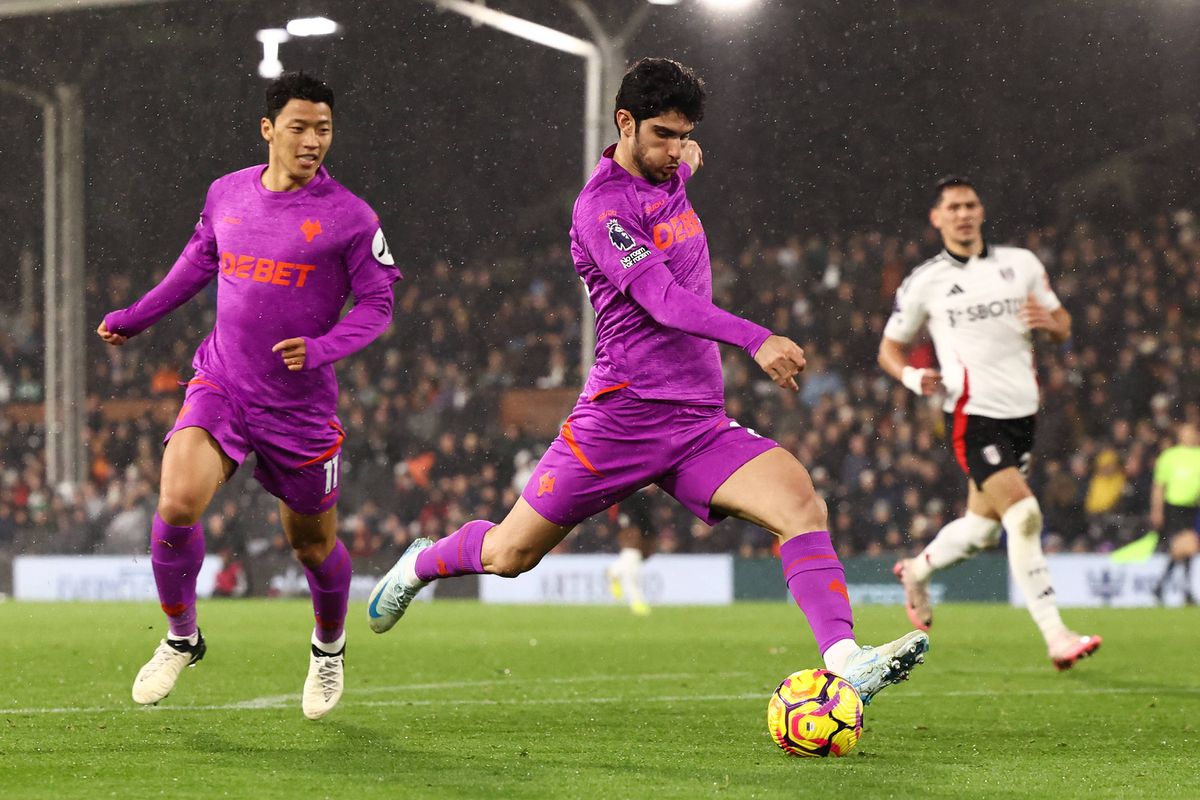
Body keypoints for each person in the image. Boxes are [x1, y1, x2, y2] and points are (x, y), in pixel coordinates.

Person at [370, 58, 928, 704]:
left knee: (799, 500)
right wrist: (756, 337)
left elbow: (687, 159)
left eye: (681, 134)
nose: (672, 150)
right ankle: (420, 563)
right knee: (510, 556)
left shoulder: (673, 169)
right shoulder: (601, 209)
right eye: (660, 134)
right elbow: (662, 301)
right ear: (624, 123)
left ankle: (844, 660)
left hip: (695, 421)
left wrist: (686, 153)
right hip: (619, 418)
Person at [97, 72, 399, 719]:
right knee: (176, 500)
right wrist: (137, 316)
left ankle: (328, 647)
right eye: (299, 127)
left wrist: (321, 349)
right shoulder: (227, 194)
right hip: (224, 382)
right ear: (269, 130)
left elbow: (379, 304)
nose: (313, 140)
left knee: (312, 546)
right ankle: (182, 637)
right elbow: (195, 264)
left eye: (323, 128)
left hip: (300, 408)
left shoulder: (351, 217)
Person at [880, 175, 1101, 671]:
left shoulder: (1019, 264)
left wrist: (1052, 325)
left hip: (1023, 414)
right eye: (953, 206)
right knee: (1023, 515)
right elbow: (888, 349)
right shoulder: (925, 281)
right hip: (971, 416)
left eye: (971, 204)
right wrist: (915, 378)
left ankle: (916, 572)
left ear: (981, 212)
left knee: (981, 530)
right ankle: (1056, 634)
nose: (963, 213)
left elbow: (1063, 324)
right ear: (937, 218)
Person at [1149, 423, 1200, 605]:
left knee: (1183, 550)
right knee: (1187, 546)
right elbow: (1159, 486)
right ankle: (1184, 591)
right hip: (1173, 508)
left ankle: (1161, 587)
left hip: (1193, 508)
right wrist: (1157, 509)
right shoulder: (1170, 456)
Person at [605, 487, 657, 616]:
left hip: (635, 532)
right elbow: (637, 516)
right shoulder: (635, 495)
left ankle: (615, 570)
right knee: (632, 571)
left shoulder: (638, 496)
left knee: (632, 564)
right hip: (633, 533)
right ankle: (637, 601)